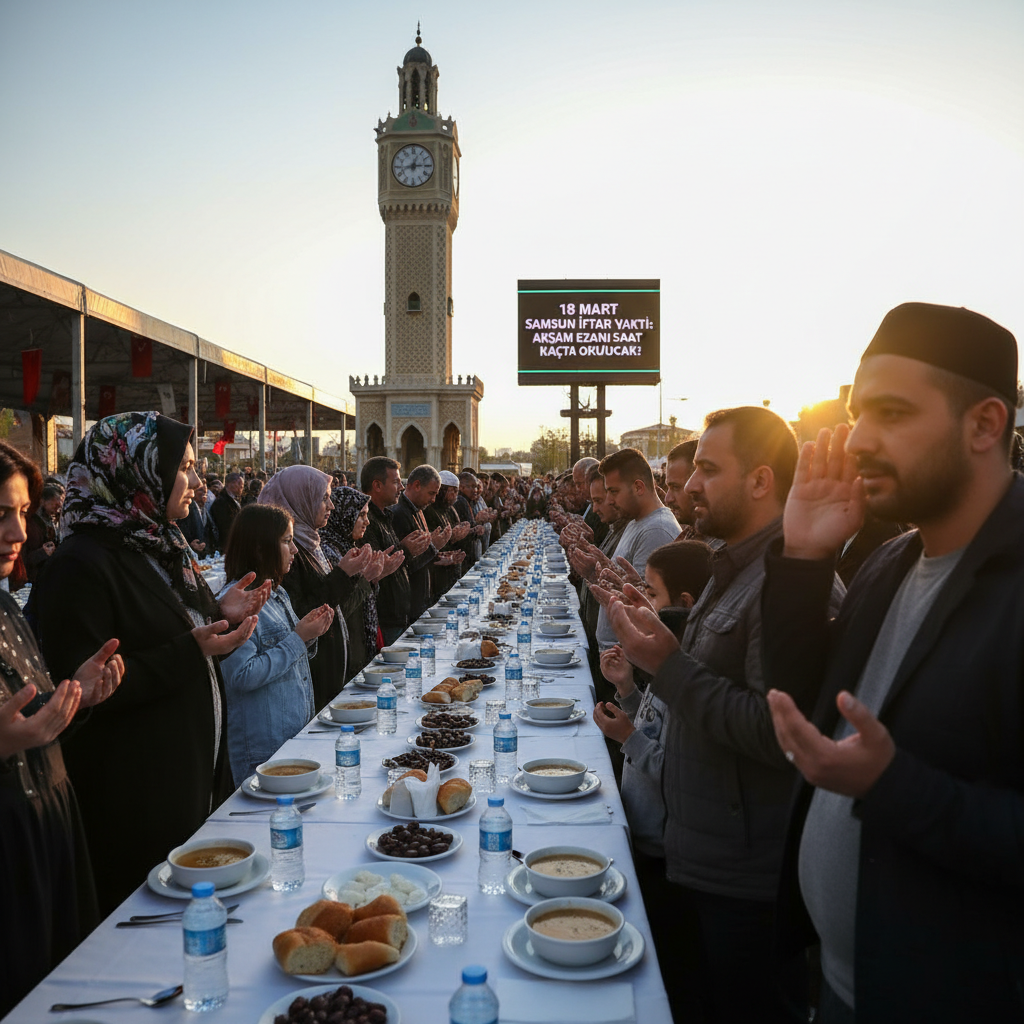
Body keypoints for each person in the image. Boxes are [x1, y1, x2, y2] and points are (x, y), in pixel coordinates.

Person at [761, 302, 1024, 1023]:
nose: (859, 440)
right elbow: (805, 705)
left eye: (893, 414)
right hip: (837, 984)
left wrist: (893, 786)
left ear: (984, 424)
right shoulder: (891, 559)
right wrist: (804, 559)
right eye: (857, 414)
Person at [603, 407, 843, 1024]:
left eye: (708, 470)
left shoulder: (793, 581)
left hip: (745, 875)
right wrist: (661, 636)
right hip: (702, 850)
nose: (689, 486)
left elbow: (778, 731)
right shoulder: (733, 564)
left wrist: (668, 664)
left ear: (761, 481)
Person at [32, 412, 264, 914]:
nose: (197, 482)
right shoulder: (80, 563)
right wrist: (191, 648)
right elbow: (84, 688)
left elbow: (174, 628)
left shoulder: (159, 543)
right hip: (136, 793)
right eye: (183, 468)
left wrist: (218, 612)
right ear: (136, 471)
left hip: (190, 777)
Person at [0, 441, 124, 1017]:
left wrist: (75, 695)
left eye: (23, 513)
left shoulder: (7, 612)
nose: (18, 533)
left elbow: (30, 718)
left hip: (47, 835)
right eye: (2, 514)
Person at [592, 538, 712, 1024]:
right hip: (642, 831)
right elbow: (653, 721)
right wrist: (626, 688)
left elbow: (678, 769)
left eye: (652, 594)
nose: (645, 602)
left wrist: (628, 739)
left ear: (684, 603)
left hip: (664, 849)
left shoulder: (691, 671)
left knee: (665, 960)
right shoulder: (672, 663)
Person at [218, 504, 334, 785]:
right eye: (286, 541)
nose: (294, 550)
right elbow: (240, 675)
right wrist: (298, 638)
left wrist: (308, 631)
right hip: (264, 751)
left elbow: (290, 655)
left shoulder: (276, 593)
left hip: (290, 738)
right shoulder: (238, 602)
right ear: (260, 548)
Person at [259, 466, 372, 708]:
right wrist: (344, 574)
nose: (331, 506)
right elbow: (303, 613)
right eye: (323, 498)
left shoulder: (311, 544)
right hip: (310, 676)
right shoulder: (286, 554)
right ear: (301, 499)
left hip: (328, 669)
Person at [593, 448, 680, 650]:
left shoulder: (656, 530)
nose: (609, 500)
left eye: (614, 491)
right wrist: (594, 570)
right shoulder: (635, 521)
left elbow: (644, 612)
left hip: (625, 657)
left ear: (638, 487)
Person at [321, 485, 404, 681]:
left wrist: (377, 576)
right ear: (344, 516)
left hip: (359, 644)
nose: (367, 521)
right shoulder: (328, 551)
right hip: (345, 654)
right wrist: (366, 579)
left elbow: (362, 596)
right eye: (361, 515)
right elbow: (339, 610)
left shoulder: (348, 547)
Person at [360, 457, 425, 645]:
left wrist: (413, 550)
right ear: (377, 485)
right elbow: (375, 566)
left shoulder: (385, 516)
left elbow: (396, 561)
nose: (401, 487)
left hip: (398, 616)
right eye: (396, 482)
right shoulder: (367, 522)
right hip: (385, 619)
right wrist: (405, 549)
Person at [390, 465, 449, 620]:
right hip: (407, 605)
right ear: (416, 485)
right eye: (431, 493)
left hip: (420, 598)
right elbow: (405, 564)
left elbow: (421, 554)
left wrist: (440, 556)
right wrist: (433, 547)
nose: (433, 500)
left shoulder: (418, 510)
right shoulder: (399, 513)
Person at [22, 482, 63, 582]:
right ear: (43, 501)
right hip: (32, 579)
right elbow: (23, 559)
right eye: (56, 502)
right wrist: (42, 553)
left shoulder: (55, 519)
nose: (59, 505)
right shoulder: (29, 523)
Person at [664, 438, 699, 536]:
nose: (667, 499)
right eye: (668, 488)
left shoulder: (722, 543)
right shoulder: (690, 534)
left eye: (675, 487)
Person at [178, 475, 214, 559]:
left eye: (205, 492)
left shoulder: (204, 509)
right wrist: (190, 544)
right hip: (191, 557)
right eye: (201, 490)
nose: (204, 494)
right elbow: (180, 530)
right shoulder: (186, 510)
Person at [210, 470, 244, 550]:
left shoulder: (233, 500)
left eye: (242, 485)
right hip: (227, 545)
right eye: (239, 484)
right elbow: (225, 527)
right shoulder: (221, 502)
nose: (242, 487)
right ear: (230, 484)